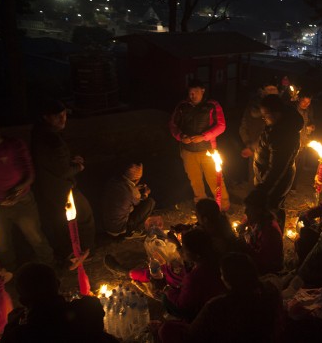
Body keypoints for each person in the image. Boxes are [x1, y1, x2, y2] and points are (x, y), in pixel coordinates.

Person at [159, 252, 282, 343]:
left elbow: (193, 334)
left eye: (222, 275)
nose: (221, 278)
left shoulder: (217, 306)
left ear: (229, 281)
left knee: (167, 329)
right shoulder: (270, 290)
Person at [31, 99, 95, 265]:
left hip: (49, 187)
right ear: (46, 117)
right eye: (57, 116)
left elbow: (55, 162)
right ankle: (84, 251)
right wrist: (78, 167)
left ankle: (68, 251)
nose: (63, 119)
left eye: (64, 115)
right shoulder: (51, 139)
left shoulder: (39, 132)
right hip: (61, 188)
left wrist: (71, 161)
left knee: (59, 221)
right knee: (84, 215)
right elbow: (62, 170)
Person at [0, 122, 53, 272]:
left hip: (22, 202)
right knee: (2, 243)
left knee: (35, 237)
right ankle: (10, 275)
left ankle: (49, 269)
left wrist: (17, 191)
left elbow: (30, 173)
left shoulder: (14, 145)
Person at [169, 79, 230, 212]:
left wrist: (203, 136)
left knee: (214, 178)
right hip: (188, 151)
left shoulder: (212, 105)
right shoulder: (182, 106)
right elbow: (173, 124)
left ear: (203, 91)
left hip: (208, 149)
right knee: (195, 180)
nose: (193, 95)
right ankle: (201, 205)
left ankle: (223, 206)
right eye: (190, 93)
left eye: (195, 92)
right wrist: (180, 136)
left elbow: (221, 125)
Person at [253, 94, 303, 231]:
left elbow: (277, 168)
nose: (264, 119)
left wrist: (263, 189)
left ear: (276, 114)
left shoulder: (284, 135)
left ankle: (273, 237)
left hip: (276, 181)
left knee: (272, 209)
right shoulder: (276, 126)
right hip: (266, 177)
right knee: (271, 207)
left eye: (265, 116)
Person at [162, 228, 226, 321]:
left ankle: (187, 320)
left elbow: (182, 303)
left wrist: (168, 291)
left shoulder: (194, 277)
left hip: (205, 312)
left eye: (185, 250)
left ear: (196, 255)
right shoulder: (215, 258)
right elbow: (189, 260)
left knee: (165, 299)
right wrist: (177, 243)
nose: (183, 252)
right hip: (216, 301)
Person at [1, 263, 74, 342]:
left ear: (22, 301)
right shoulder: (84, 311)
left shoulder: (19, 336)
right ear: (58, 284)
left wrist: (10, 325)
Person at [101, 162, 156, 239]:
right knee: (150, 202)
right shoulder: (132, 191)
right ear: (137, 179)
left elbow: (124, 192)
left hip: (107, 225)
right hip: (119, 228)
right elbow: (139, 201)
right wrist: (146, 194)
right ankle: (130, 232)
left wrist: (135, 188)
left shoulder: (113, 182)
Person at [239, 82, 279, 183]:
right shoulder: (273, 111)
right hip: (261, 149)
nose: (273, 92)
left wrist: (250, 145)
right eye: (270, 90)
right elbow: (243, 127)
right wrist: (249, 144)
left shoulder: (278, 110)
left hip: (261, 148)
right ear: (262, 92)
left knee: (261, 177)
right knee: (258, 177)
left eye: (274, 90)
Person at [238, 189, 284, 275]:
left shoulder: (270, 231)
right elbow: (246, 220)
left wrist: (244, 246)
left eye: (248, 208)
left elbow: (262, 260)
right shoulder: (257, 217)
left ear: (259, 210)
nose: (245, 212)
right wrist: (243, 225)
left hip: (267, 270)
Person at [292, 90, 315, 191]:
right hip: (293, 142)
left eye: (309, 102)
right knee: (290, 166)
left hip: (304, 142)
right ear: (299, 99)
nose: (307, 104)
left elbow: (310, 122)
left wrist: (312, 127)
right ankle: (286, 186)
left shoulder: (309, 111)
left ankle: (293, 186)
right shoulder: (292, 110)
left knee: (299, 166)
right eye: (304, 102)